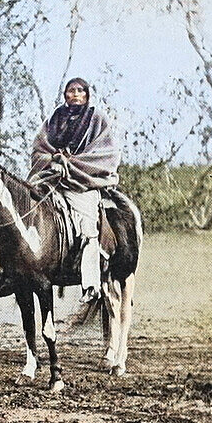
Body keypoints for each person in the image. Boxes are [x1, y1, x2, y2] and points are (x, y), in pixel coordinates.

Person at [29, 77, 121, 304]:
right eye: (71, 91)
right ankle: (15, 272)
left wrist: (71, 164)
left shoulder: (97, 119)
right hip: (52, 178)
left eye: (80, 91)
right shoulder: (54, 119)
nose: (75, 95)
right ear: (65, 95)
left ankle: (91, 284)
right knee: (27, 211)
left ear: (87, 95)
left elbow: (105, 153)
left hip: (82, 182)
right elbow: (39, 148)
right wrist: (53, 159)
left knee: (88, 228)